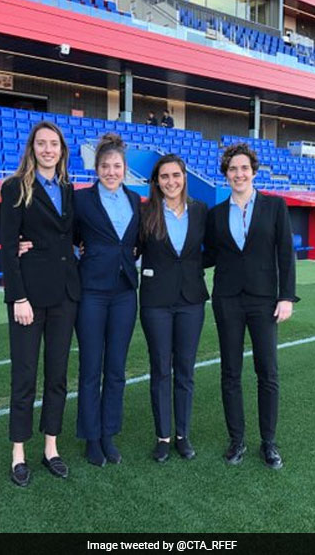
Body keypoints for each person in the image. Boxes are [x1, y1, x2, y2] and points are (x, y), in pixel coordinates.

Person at [204, 142, 298, 470]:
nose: (239, 174)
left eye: (244, 168)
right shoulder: (215, 215)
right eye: (233, 169)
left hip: (263, 300)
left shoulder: (275, 207)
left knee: (267, 372)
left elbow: (286, 254)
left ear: (253, 172)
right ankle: (236, 440)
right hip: (227, 300)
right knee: (230, 372)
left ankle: (268, 443)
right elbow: (208, 256)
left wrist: (286, 296)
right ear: (226, 174)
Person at [0, 121, 80, 487]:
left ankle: (51, 446)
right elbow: (6, 245)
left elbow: (75, 236)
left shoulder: (68, 188)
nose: (48, 149)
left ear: (62, 150)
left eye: (54, 144)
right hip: (28, 298)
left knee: (58, 375)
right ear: (32, 148)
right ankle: (19, 452)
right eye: (42, 143)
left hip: (65, 295)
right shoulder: (15, 187)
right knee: (25, 376)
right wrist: (18, 296)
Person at [74, 133, 141, 467]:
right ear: (96, 168)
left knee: (116, 369)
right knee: (91, 367)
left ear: (124, 168)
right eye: (105, 166)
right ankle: (90, 437)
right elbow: (67, 238)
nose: (111, 171)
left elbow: (136, 243)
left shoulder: (135, 200)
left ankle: (108, 434)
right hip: (91, 292)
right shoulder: (81, 201)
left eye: (117, 166)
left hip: (126, 293)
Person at [139, 154, 209, 463]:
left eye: (176, 175)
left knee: (185, 371)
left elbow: (216, 250)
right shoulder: (145, 213)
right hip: (156, 302)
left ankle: (182, 435)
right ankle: (163, 437)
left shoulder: (201, 211)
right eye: (164, 176)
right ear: (157, 181)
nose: (171, 181)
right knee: (160, 370)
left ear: (184, 177)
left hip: (191, 300)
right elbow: (124, 246)